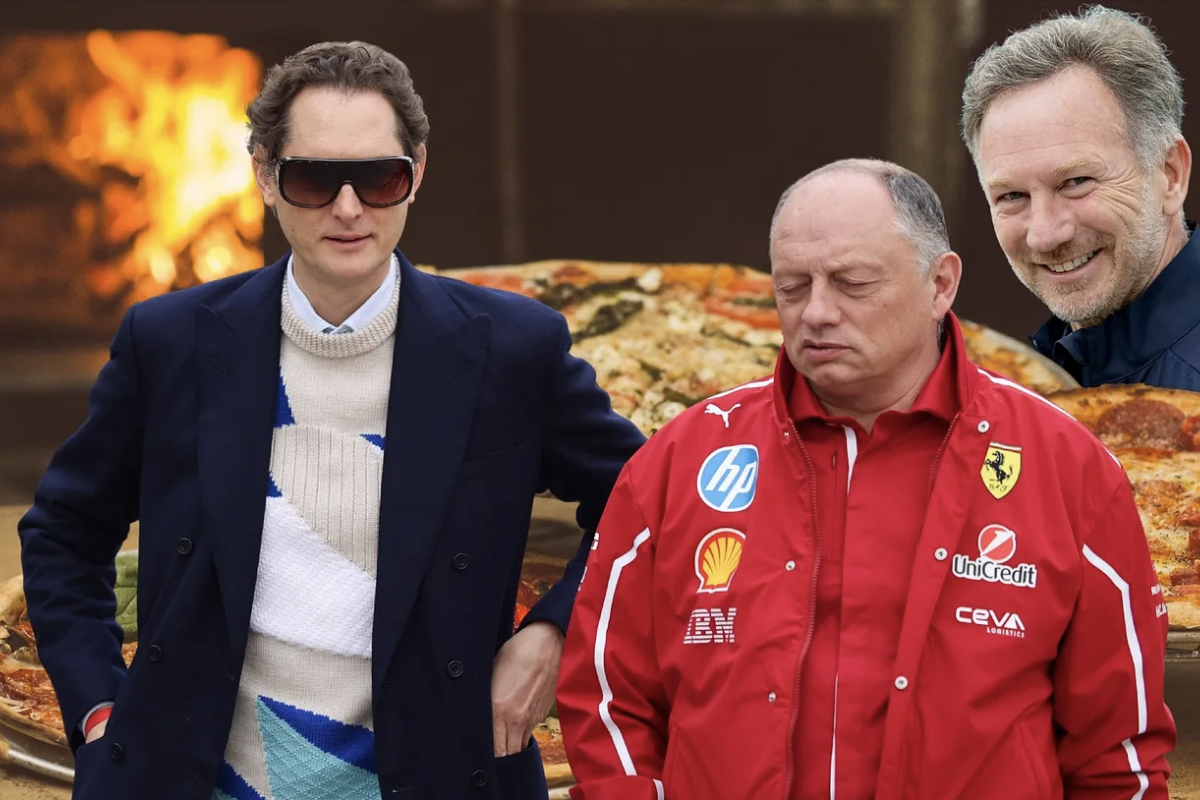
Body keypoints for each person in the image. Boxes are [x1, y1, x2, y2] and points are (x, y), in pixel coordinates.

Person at [18, 41, 645, 800]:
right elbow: (63, 532)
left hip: (442, 775)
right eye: (314, 179)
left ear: (417, 173)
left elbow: (646, 501)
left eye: (379, 178)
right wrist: (97, 709)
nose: (349, 209)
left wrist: (553, 633)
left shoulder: (513, 349)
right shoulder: (170, 341)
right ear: (264, 176)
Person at [555, 159, 1175, 799]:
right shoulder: (677, 460)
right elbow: (608, 699)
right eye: (792, 287)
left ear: (941, 284)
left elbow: (1119, 754)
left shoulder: (1066, 466)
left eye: (852, 283)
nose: (817, 313)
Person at [961, 5, 1200, 390]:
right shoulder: (1001, 391)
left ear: (1170, 175)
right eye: (1012, 195)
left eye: (1076, 181)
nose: (1044, 235)